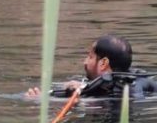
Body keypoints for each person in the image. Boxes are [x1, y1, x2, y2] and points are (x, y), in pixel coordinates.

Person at [26, 34, 157, 98]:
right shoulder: (141, 80)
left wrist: (39, 99)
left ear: (103, 63)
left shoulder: (109, 93)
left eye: (90, 57)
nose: (85, 62)